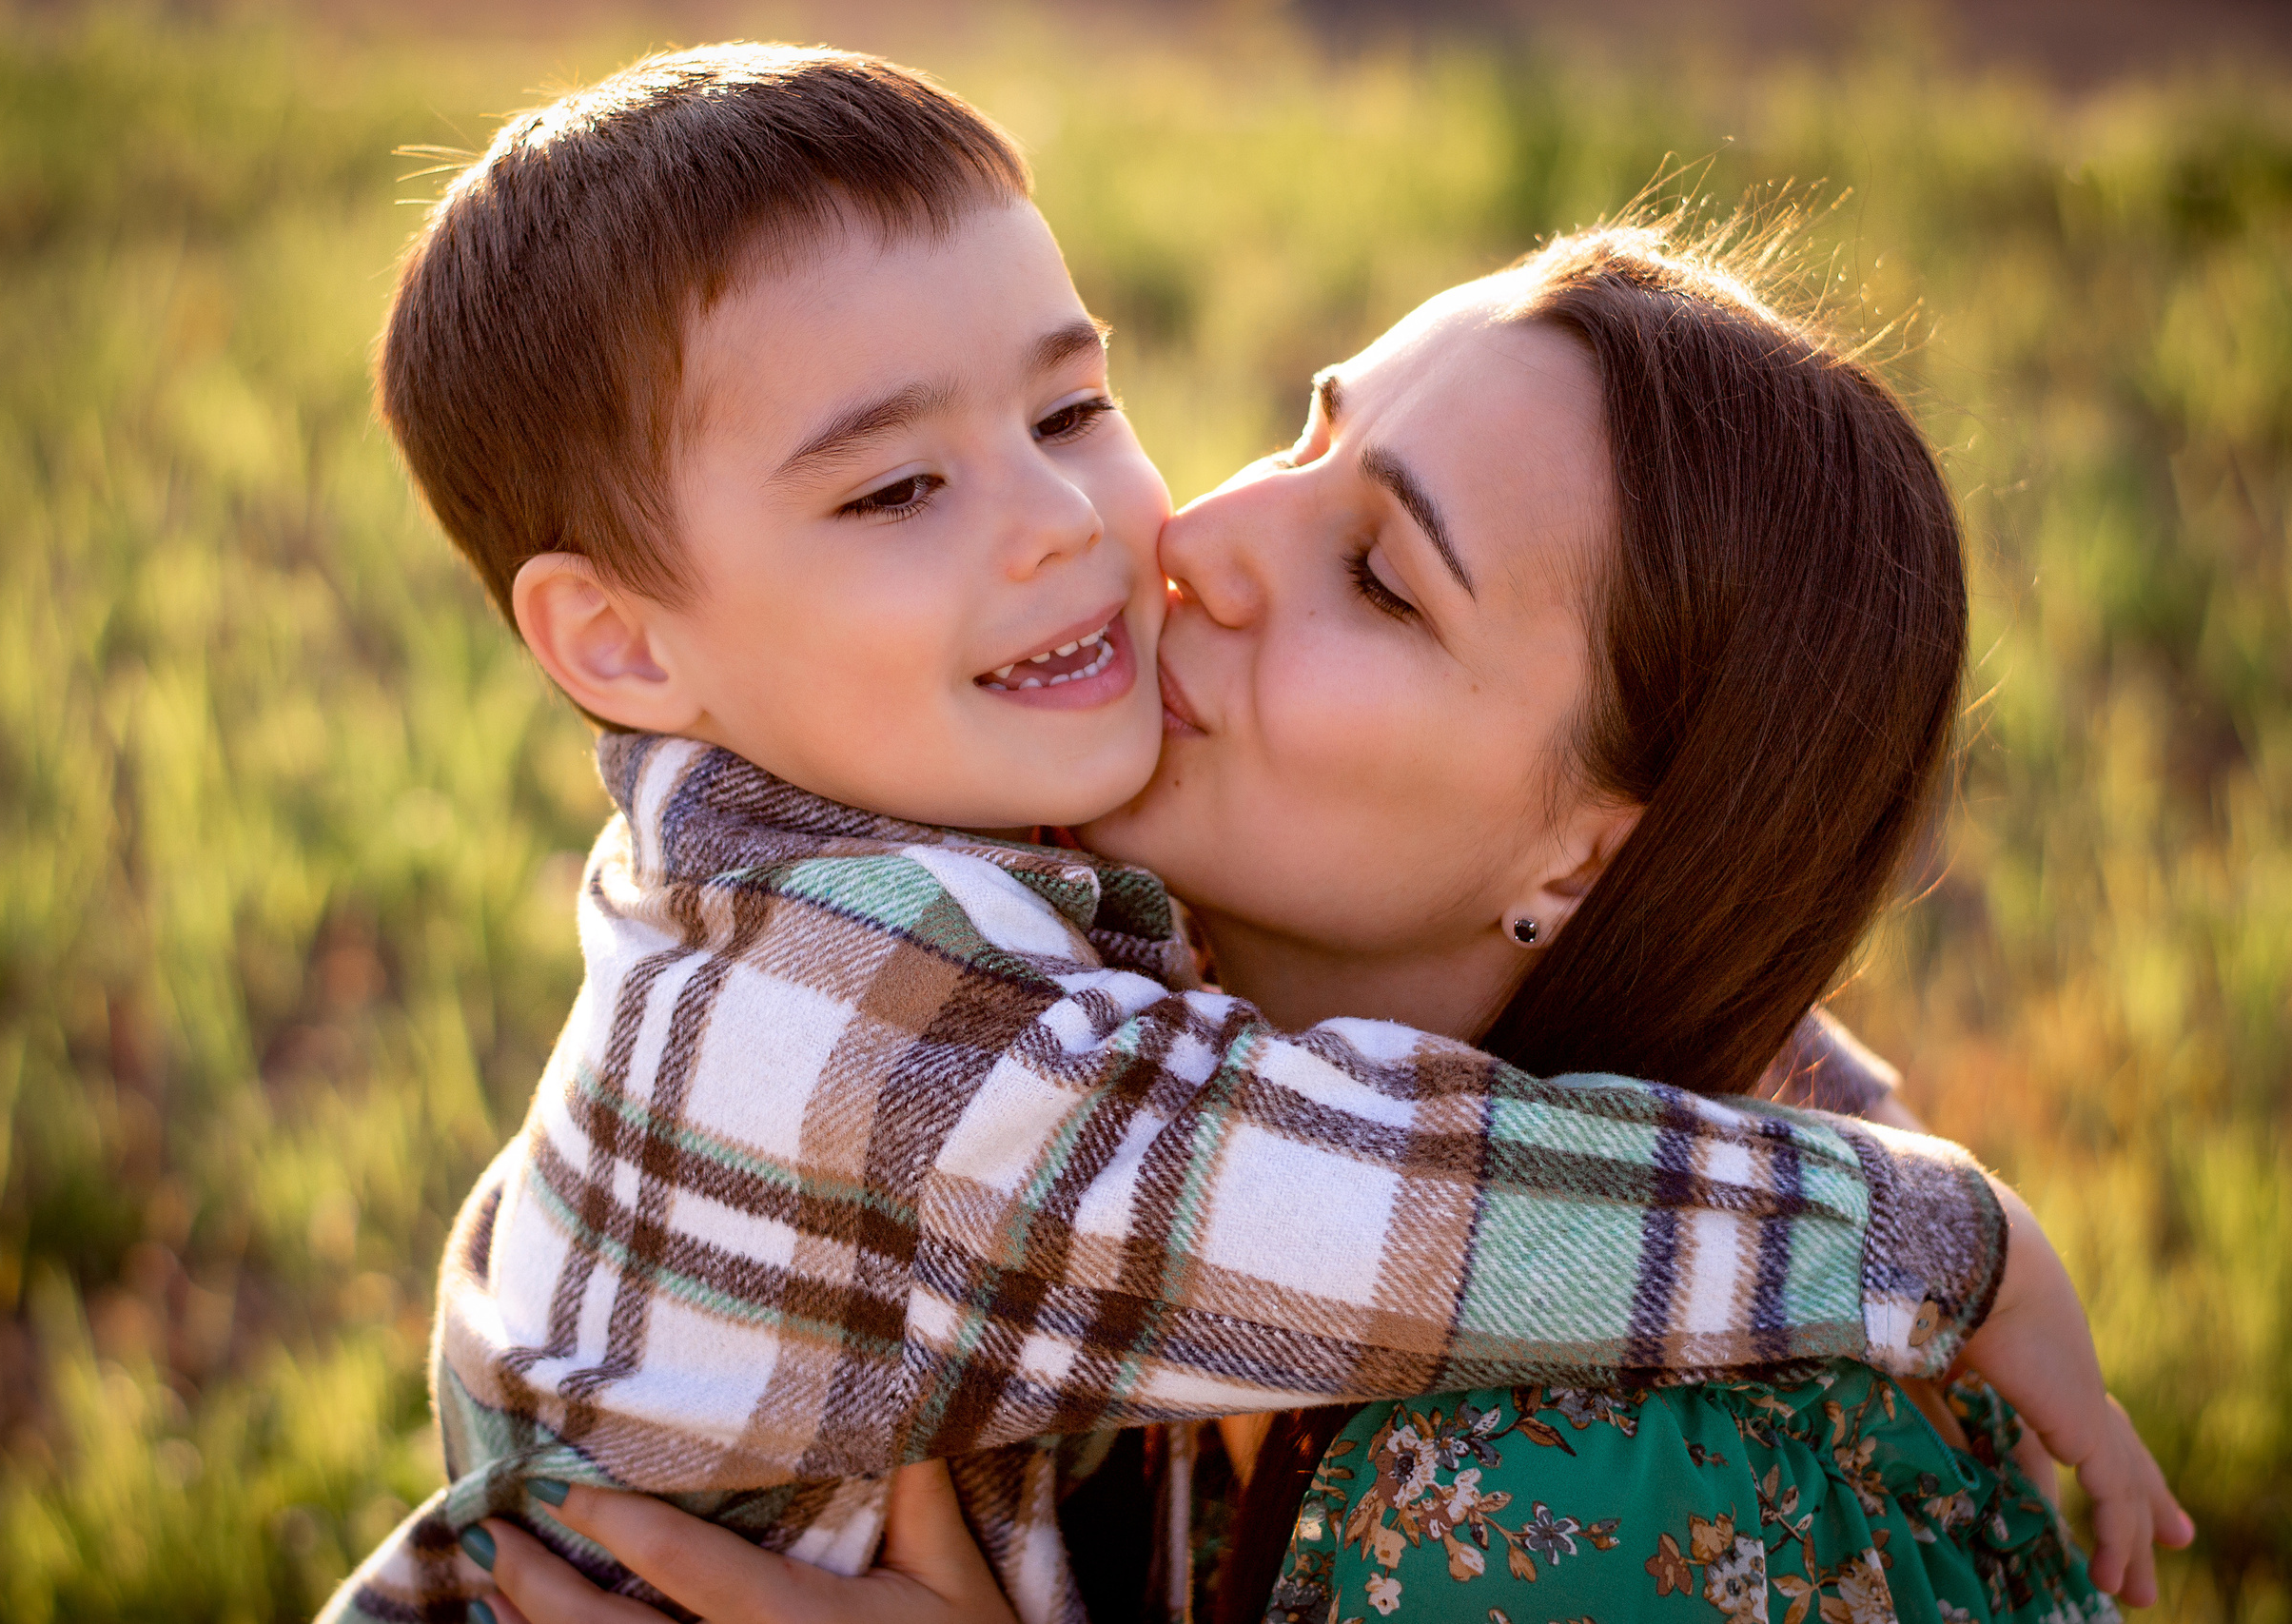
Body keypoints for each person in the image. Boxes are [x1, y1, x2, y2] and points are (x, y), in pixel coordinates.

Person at [321, 42, 2172, 1624]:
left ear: (1593, 864)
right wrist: (1941, 1229)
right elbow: (1377, 1190)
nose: (1167, 543)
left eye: (1377, 576)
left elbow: (1419, 1184)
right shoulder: (866, 1007)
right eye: (1301, 434)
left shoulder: (1585, 1498)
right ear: (618, 641)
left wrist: (1882, 1176)